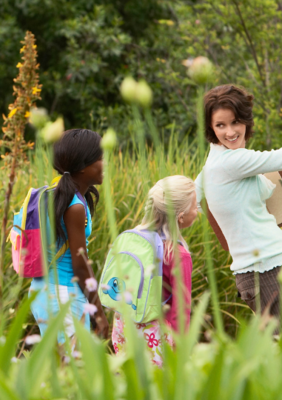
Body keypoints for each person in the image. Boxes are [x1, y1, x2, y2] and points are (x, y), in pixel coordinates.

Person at [196, 84, 282, 322]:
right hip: (265, 269)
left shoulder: (213, 161)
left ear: (246, 120)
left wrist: (231, 236)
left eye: (235, 122)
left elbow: (195, 198)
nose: (230, 132)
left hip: (262, 266)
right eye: (220, 125)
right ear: (211, 128)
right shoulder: (231, 161)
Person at [29, 128, 109, 345]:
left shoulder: (53, 194)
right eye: (101, 158)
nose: (105, 163)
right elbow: (80, 265)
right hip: (62, 294)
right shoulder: (74, 206)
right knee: (71, 370)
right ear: (83, 167)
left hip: (43, 291)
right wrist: (99, 314)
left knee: (61, 367)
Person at [111, 175, 197, 367]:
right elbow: (180, 310)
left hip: (124, 326)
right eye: (195, 206)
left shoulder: (134, 240)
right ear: (181, 217)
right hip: (155, 335)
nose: (197, 211)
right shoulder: (177, 254)